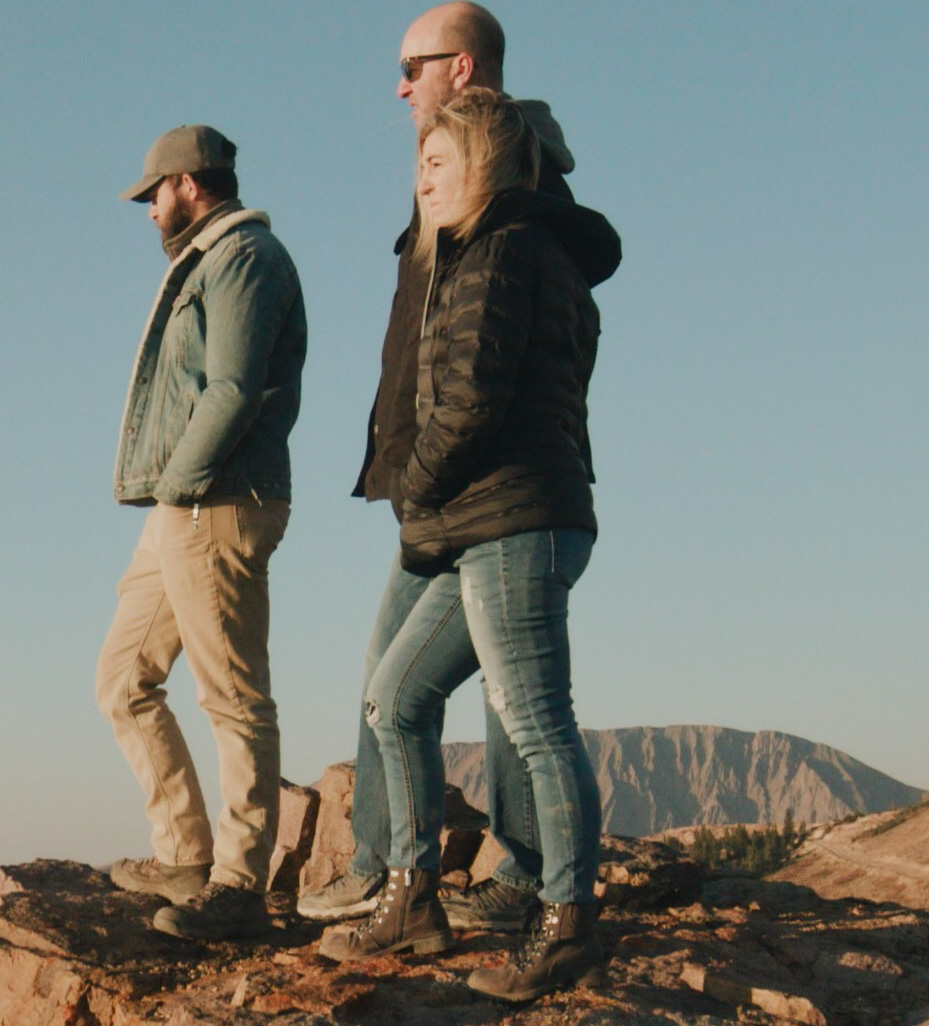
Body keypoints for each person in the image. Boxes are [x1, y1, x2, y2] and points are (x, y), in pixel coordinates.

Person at [300, 1, 626, 942]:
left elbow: (484, 379)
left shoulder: (510, 214)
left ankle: (532, 896)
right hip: (458, 491)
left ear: (469, 68)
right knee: (407, 690)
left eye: (415, 64)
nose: (400, 86)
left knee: (519, 706)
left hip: (485, 497)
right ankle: (417, 883)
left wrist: (421, 474)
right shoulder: (480, 202)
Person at [92, 124, 309, 942]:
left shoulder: (246, 259)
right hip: (177, 508)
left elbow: (235, 387)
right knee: (122, 682)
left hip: (216, 501)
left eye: (154, 193)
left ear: (189, 182)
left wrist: (182, 482)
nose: (149, 210)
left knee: (233, 696)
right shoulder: (211, 261)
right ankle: (185, 852)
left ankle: (238, 884)